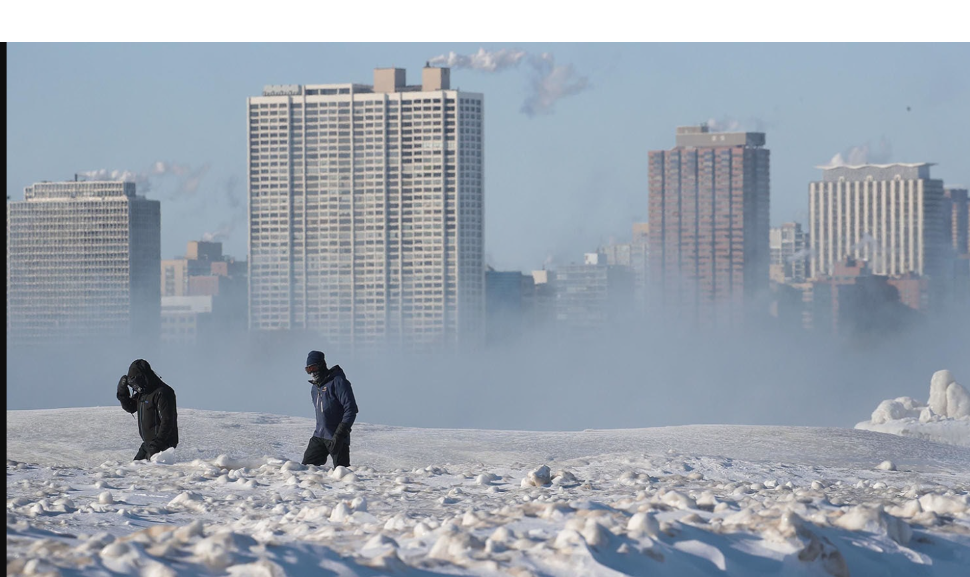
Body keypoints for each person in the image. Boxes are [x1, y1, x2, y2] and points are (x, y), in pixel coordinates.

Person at [302, 350, 359, 468]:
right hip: (319, 436)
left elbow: (351, 409)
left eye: (313, 368)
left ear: (322, 365)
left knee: (342, 474)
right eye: (308, 370)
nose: (312, 373)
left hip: (337, 437)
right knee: (305, 470)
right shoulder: (314, 388)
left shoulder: (338, 382)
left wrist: (340, 433)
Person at [116, 359, 179, 461]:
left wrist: (157, 444)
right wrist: (122, 392)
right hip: (148, 444)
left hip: (162, 444)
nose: (136, 388)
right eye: (133, 385)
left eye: (136, 384)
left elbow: (167, 420)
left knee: (147, 473)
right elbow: (130, 407)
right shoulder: (144, 393)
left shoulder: (162, 393)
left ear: (143, 378)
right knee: (132, 470)